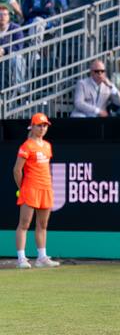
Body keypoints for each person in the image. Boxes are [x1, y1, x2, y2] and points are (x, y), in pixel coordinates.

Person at [14, 113, 60, 269]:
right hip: (30, 188)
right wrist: (23, 188)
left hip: (46, 187)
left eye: (45, 125)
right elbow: (17, 170)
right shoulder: (26, 146)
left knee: (43, 224)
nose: (42, 128)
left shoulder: (47, 146)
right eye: (39, 125)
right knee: (24, 224)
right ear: (32, 127)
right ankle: (21, 258)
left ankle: (42, 257)